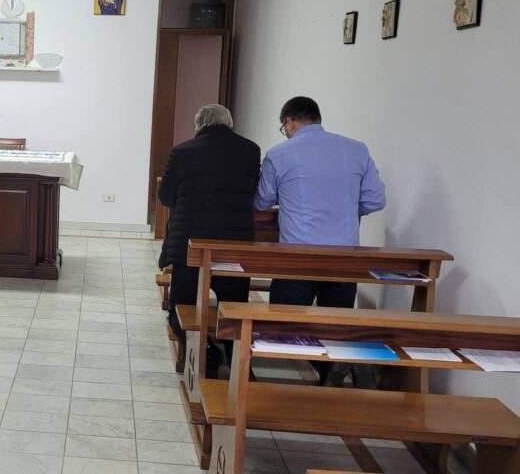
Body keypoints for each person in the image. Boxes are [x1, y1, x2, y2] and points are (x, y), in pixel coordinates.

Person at [254, 96, 386, 385]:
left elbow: (262, 201)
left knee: (284, 322)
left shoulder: (280, 154)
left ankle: (286, 386)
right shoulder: (356, 149)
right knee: (335, 322)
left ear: (289, 122)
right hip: (345, 255)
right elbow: (376, 200)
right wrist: (346, 209)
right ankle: (336, 370)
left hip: (297, 254)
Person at [159, 104, 260, 378]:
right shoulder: (250, 150)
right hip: (234, 248)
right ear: (230, 124)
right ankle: (237, 358)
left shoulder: (182, 151)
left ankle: (206, 352)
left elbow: (166, 196)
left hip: (190, 247)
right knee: (235, 307)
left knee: (181, 308)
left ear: (198, 126)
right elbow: (254, 192)